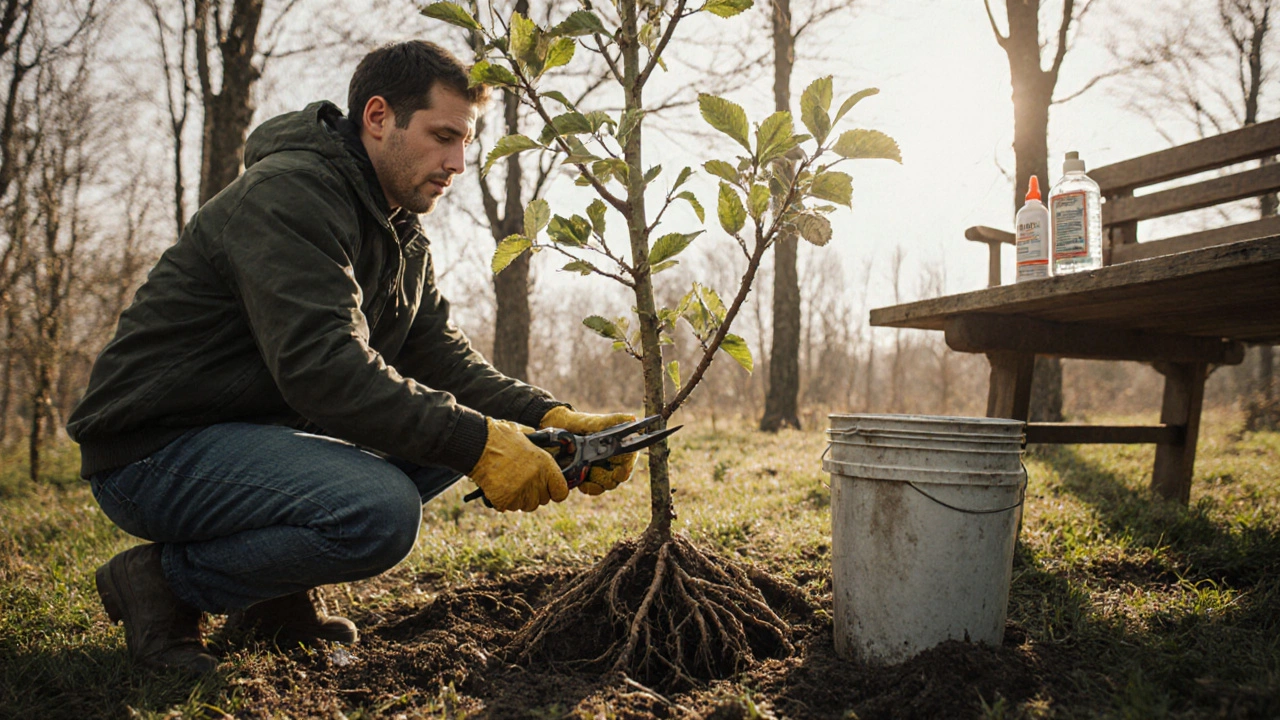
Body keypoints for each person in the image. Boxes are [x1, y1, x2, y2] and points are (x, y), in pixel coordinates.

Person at [65, 40, 636, 675]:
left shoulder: (400, 234)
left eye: (466, 141)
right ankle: (163, 585)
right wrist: (481, 443)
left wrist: (549, 419)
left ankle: (270, 602)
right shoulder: (290, 196)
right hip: (154, 450)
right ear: (377, 117)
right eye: (443, 135)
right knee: (380, 511)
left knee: (452, 435)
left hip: (250, 435)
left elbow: (440, 361)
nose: (458, 162)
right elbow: (324, 370)